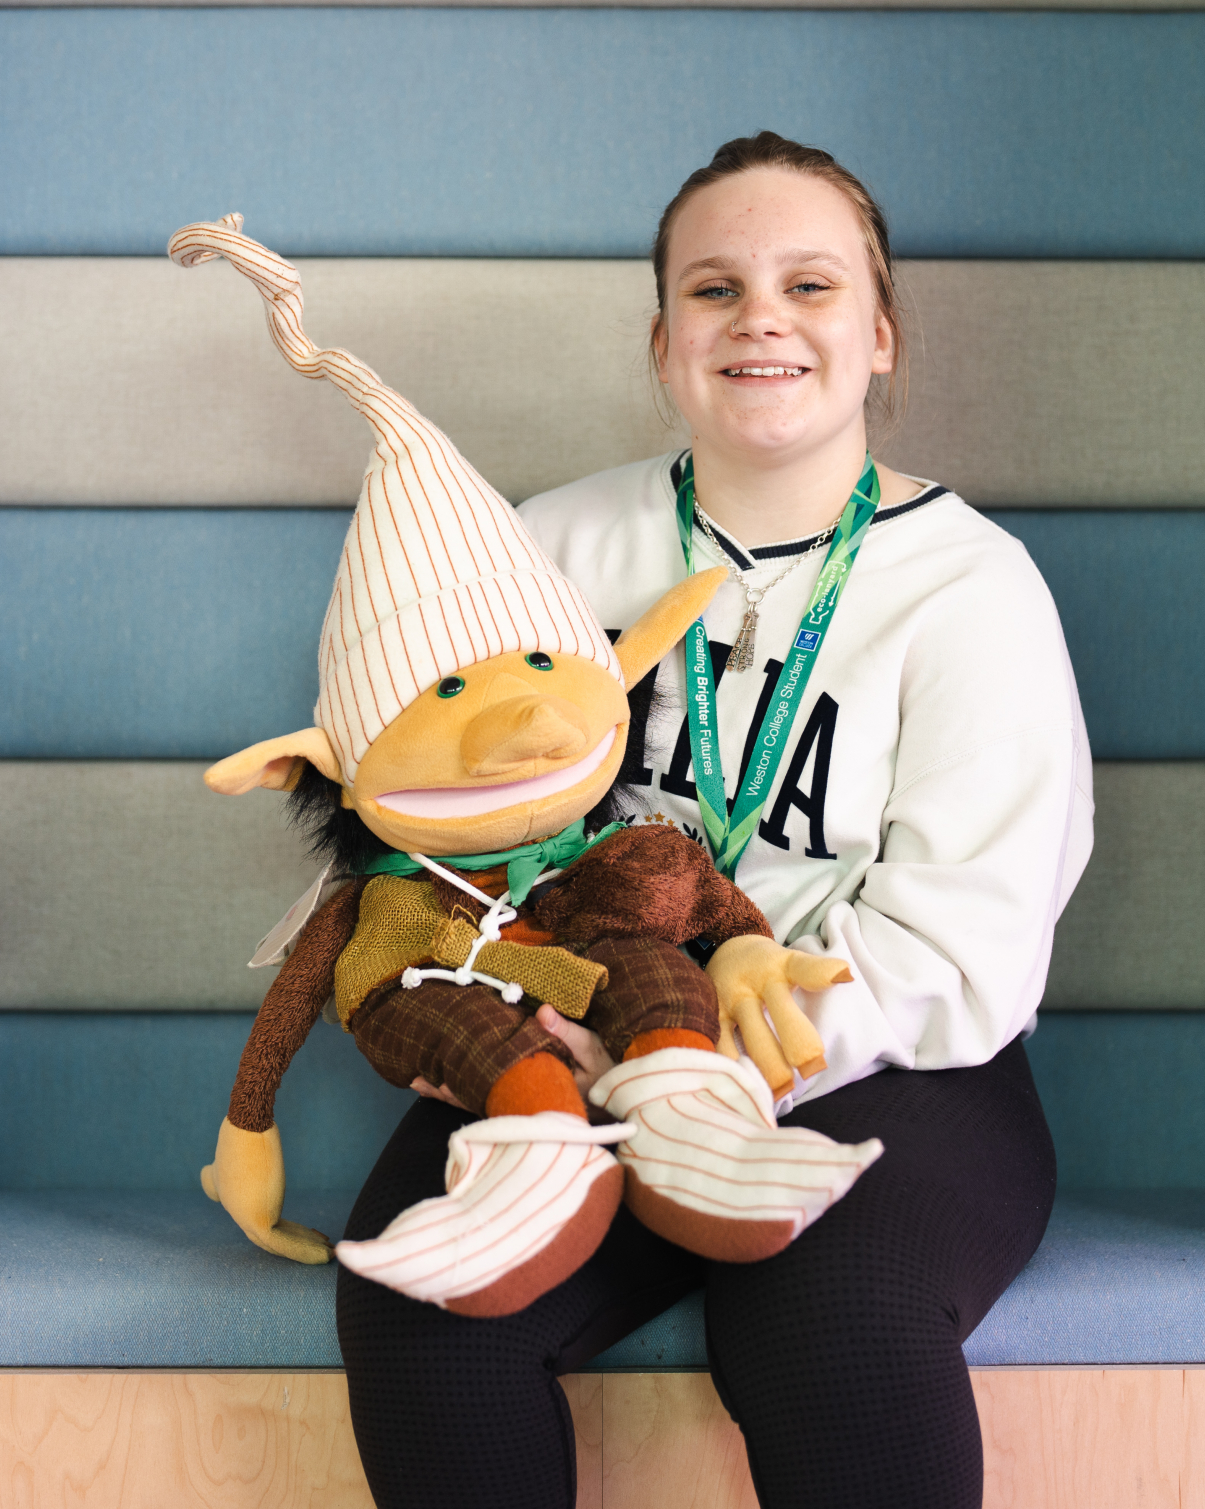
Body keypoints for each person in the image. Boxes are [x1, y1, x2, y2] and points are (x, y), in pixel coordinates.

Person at [334, 132, 1094, 1509]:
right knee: (428, 1311)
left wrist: (704, 1062)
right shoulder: (541, 556)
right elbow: (429, 831)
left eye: (809, 286)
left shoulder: (973, 590)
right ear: (660, 337)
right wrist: (481, 1012)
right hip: (562, 1052)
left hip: (886, 1073)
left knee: (828, 1327)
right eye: (713, 287)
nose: (760, 318)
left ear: (878, 337)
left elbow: (962, 956)